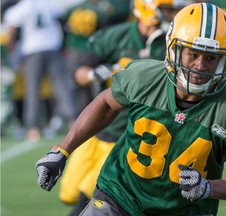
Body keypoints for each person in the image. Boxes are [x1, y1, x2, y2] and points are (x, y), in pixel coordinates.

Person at [36, 3, 226, 216]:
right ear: (174, 49)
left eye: (211, 57)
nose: (200, 65)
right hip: (121, 195)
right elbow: (106, 104)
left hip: (184, 210)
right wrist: (62, 150)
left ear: (225, 61)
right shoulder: (146, 77)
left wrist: (208, 187)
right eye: (193, 54)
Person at [58, 0, 195, 215]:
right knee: (68, 192)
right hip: (99, 129)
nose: (173, 14)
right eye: (167, 9)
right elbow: (79, 72)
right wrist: (94, 74)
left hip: (132, 137)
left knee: (89, 198)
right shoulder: (116, 36)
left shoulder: (173, 43)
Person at [3, 0, 77, 141]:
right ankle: (72, 120)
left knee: (33, 90)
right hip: (52, 47)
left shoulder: (21, 7)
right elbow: (63, 23)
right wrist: (65, 44)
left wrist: (11, 50)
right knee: (61, 87)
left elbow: (11, 31)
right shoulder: (49, 4)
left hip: (33, 50)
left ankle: (33, 127)